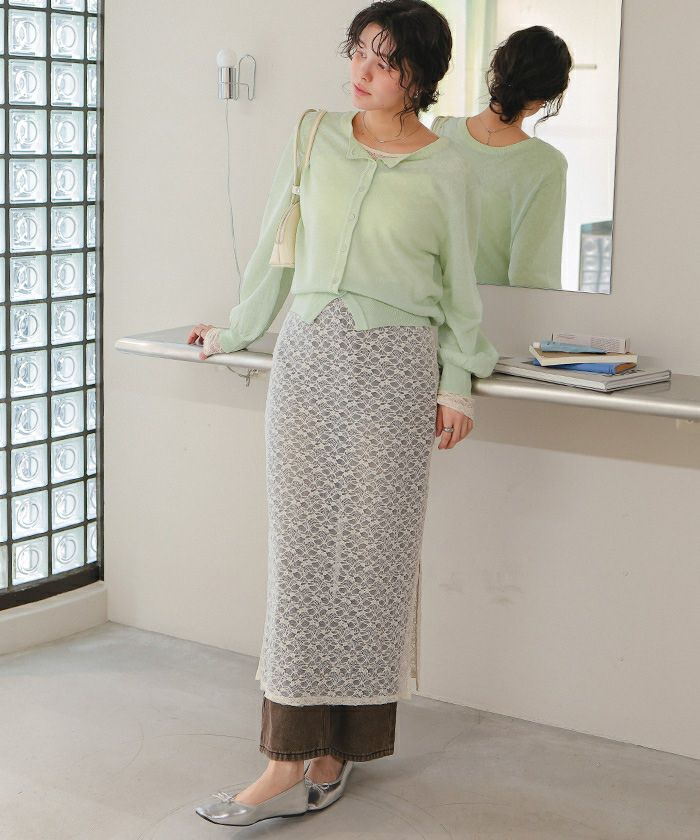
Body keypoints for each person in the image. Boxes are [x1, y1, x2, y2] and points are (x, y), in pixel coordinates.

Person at [187, 0, 499, 827]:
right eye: (358, 50)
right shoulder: (313, 134)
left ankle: (339, 750)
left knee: (373, 564)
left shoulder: (449, 168)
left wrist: (457, 383)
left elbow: (459, 292)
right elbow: (275, 247)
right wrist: (236, 331)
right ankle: (283, 760)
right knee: (299, 561)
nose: (361, 70)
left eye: (384, 60)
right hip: (309, 359)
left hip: (398, 368)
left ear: (419, 76)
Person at [431, 25, 572, 289]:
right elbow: (531, 276)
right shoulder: (546, 165)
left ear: (496, 69)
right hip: (494, 311)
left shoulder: (441, 131)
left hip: (427, 306)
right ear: (544, 100)